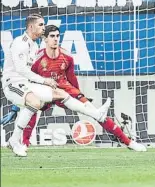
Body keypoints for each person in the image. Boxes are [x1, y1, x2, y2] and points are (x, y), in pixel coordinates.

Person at [16, 25, 146, 152]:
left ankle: (129, 143)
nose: (55, 39)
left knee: (97, 114)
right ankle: (24, 145)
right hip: (45, 91)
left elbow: (71, 79)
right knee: (32, 110)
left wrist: (79, 96)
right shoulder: (37, 59)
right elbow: (30, 80)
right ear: (45, 39)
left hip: (64, 90)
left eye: (57, 36)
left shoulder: (67, 57)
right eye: (52, 36)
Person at [2, 14, 111, 157]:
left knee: (60, 93)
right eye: (41, 25)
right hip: (12, 83)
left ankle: (97, 114)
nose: (43, 27)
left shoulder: (34, 45)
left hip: (26, 84)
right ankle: (15, 141)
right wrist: (44, 80)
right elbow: (21, 70)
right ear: (31, 27)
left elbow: (28, 72)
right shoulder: (19, 43)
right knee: (34, 102)